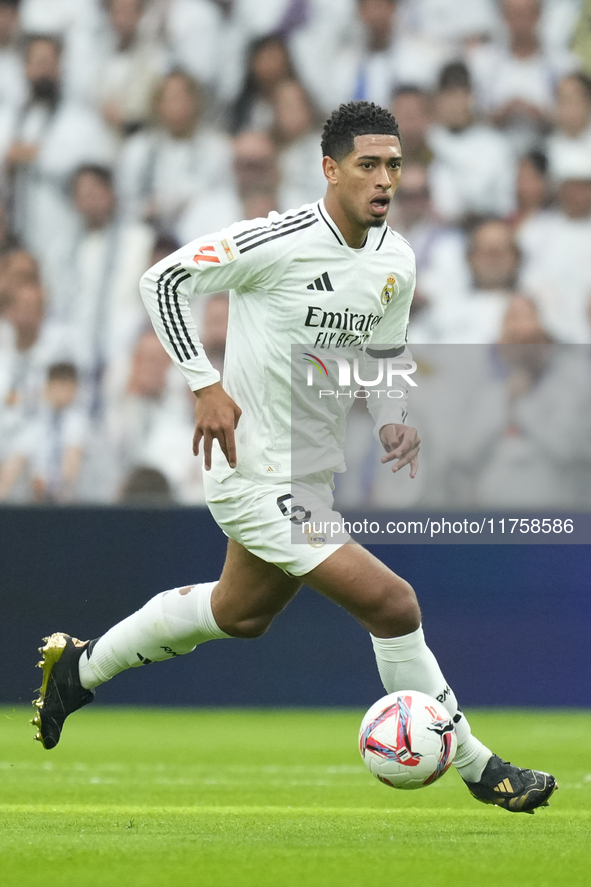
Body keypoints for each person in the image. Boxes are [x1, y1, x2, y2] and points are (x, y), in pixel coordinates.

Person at [32, 100, 556, 814]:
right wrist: (204, 385)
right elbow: (162, 282)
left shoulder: (394, 259)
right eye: (368, 165)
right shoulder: (275, 240)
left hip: (308, 471)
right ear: (329, 169)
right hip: (251, 468)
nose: (384, 179)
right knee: (393, 602)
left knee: (239, 612)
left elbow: (384, 351)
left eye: (394, 165)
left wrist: (393, 418)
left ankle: (80, 668)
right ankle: (475, 764)